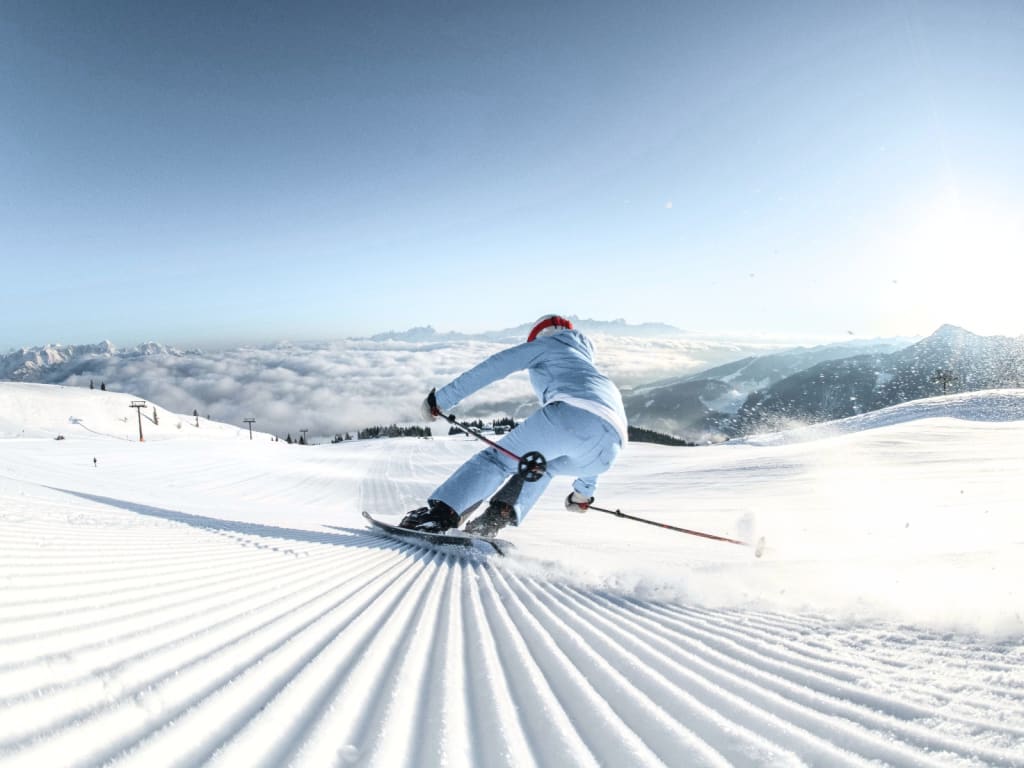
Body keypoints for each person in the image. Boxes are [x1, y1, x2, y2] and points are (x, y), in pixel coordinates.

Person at [400, 314, 628, 536]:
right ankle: (492, 521)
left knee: (496, 460)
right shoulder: (595, 376)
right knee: (538, 465)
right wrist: (582, 494)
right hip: (608, 452)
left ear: (539, 334)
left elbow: (495, 366)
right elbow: (598, 427)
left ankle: (440, 516)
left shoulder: (549, 344)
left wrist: (441, 400)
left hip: (569, 417)